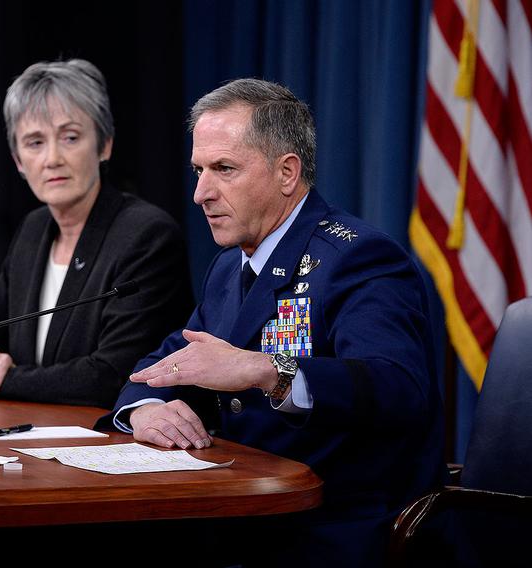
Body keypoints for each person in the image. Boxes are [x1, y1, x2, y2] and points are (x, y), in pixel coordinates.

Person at [100, 78, 445, 566]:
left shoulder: (359, 257)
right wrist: (144, 409)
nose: (200, 193)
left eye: (224, 169)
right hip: (242, 512)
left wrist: (268, 369)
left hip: (331, 526)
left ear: (287, 173)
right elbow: (172, 359)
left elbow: (399, 386)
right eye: (198, 169)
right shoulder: (231, 264)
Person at [0, 59, 193, 408]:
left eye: (70, 137)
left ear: (104, 145)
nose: (52, 158)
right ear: (18, 160)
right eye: (34, 142)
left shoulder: (145, 236)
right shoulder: (34, 231)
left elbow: (112, 376)